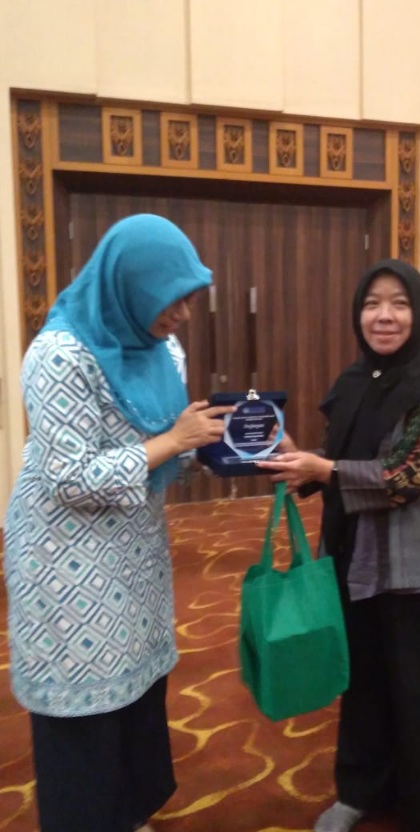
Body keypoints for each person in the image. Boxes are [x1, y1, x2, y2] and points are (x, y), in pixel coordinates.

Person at [257, 259, 420, 832]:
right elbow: (339, 459)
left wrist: (324, 468)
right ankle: (363, 789)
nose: (384, 316)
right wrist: (300, 462)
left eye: (399, 303)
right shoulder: (356, 381)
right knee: (367, 684)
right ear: (357, 313)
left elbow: (410, 477)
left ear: (417, 311)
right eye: (372, 304)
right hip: (358, 561)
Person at [3, 214, 235, 832]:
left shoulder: (162, 349)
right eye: (170, 298)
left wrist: (230, 447)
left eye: (189, 299)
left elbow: (166, 446)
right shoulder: (59, 355)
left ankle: (127, 813)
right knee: (84, 707)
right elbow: (71, 477)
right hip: (65, 560)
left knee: (135, 690)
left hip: (133, 550)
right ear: (129, 285)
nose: (181, 314)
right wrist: (173, 441)